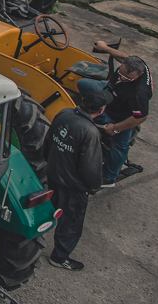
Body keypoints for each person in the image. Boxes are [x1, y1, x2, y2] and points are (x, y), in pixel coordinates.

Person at [44, 83, 109, 271]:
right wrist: (94, 186)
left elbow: (48, 142)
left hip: (53, 176)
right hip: (73, 188)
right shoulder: (90, 132)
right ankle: (59, 257)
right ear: (101, 110)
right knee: (71, 224)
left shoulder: (64, 114)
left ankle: (32, 240)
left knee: (46, 211)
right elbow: (91, 168)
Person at [92, 41, 153, 187]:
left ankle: (109, 178)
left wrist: (115, 128)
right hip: (113, 95)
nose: (121, 78)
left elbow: (140, 117)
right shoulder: (139, 64)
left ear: (138, 75)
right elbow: (124, 56)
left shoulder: (138, 94)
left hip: (122, 114)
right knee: (83, 84)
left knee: (120, 146)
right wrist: (106, 48)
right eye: (120, 73)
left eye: (126, 78)